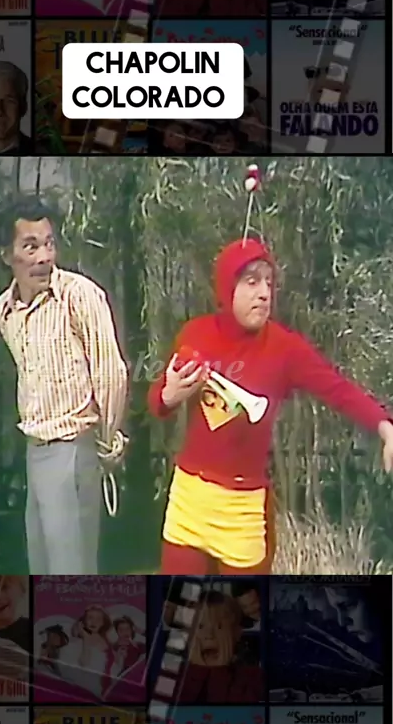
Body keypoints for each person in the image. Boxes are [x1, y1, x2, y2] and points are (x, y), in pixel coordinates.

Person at [148, 237, 393, 575]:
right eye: (252, 281)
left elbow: (337, 389)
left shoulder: (284, 349)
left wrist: (384, 426)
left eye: (269, 282)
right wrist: (168, 395)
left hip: (243, 510)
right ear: (227, 288)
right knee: (179, 606)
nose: (264, 293)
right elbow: (157, 401)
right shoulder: (196, 334)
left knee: (240, 608)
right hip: (189, 500)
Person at [0, 198, 128, 574]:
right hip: (34, 447)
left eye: (49, 244)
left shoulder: (78, 295)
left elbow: (110, 372)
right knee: (42, 563)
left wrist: (107, 441)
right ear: (7, 255)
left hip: (73, 447)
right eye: (30, 246)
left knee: (72, 569)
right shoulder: (4, 311)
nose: (43, 257)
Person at [176, 590, 263, 703]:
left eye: (219, 627)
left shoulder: (253, 679)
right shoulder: (173, 677)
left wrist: (220, 672)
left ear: (237, 633)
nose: (209, 635)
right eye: (200, 627)